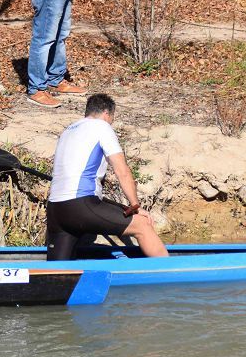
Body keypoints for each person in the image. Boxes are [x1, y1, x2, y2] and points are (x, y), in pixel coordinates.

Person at [45, 94, 168, 261]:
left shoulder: (68, 130)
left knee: (59, 274)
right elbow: (122, 171)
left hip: (55, 211)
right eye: (112, 118)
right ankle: (173, 276)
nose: (111, 122)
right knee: (143, 225)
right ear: (106, 114)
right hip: (80, 206)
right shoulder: (102, 127)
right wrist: (135, 206)